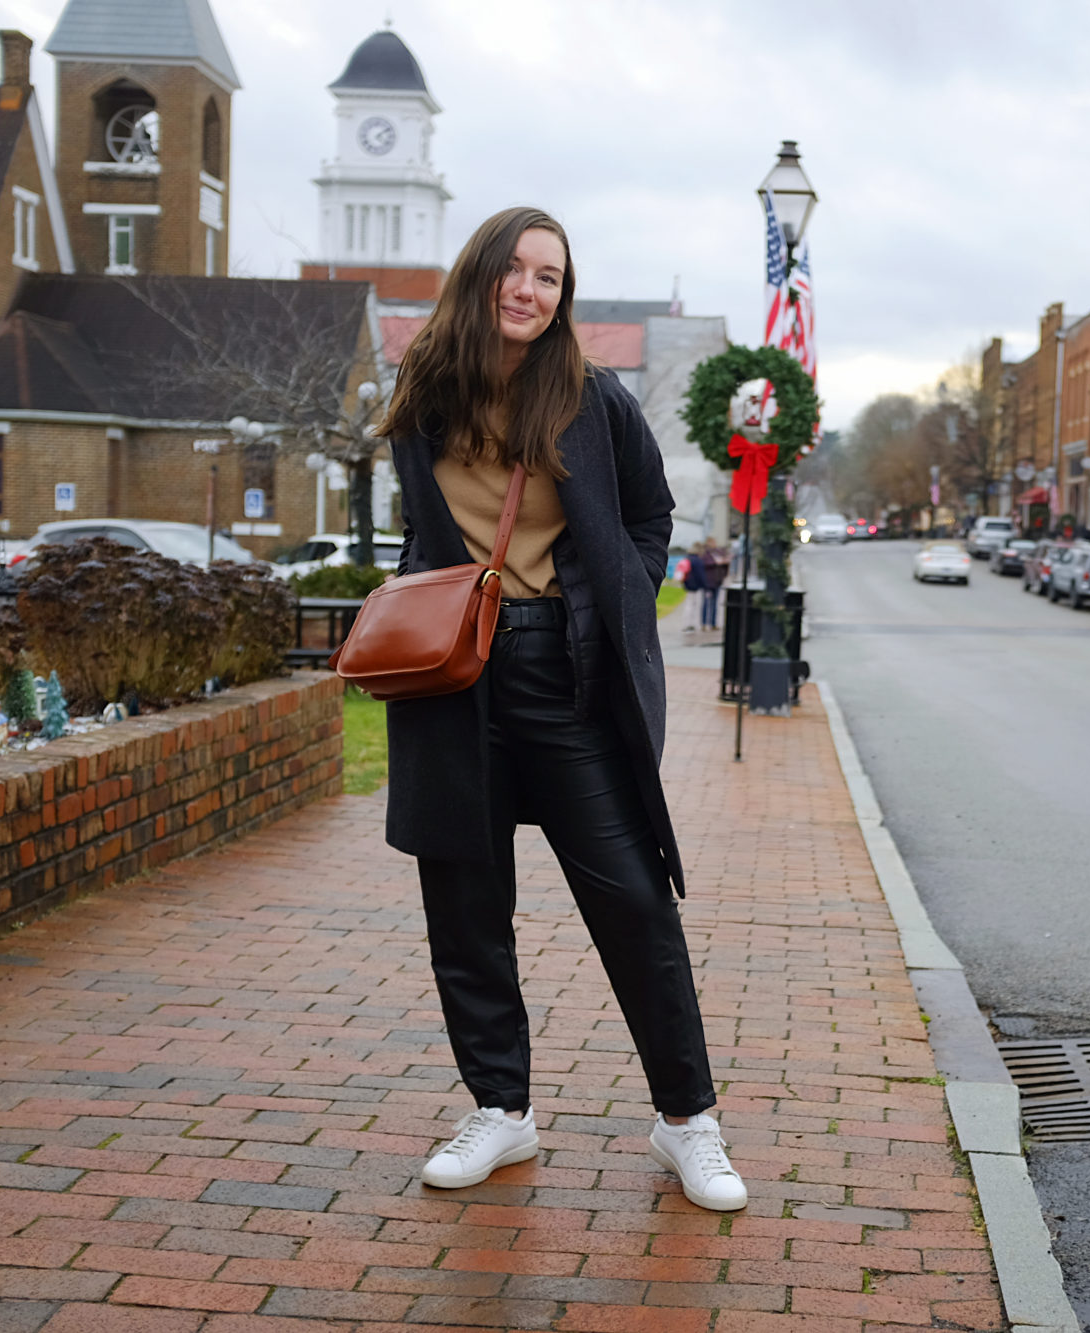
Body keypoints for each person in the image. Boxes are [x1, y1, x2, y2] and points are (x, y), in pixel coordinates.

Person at [377, 206, 745, 1211]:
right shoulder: (421, 392)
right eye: (518, 269)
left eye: (550, 277)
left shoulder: (590, 398)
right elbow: (420, 525)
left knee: (630, 896)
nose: (530, 290)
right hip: (452, 676)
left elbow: (648, 514)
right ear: (483, 272)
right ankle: (500, 1108)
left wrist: (616, 592)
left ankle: (686, 1121)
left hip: (563, 668)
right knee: (463, 903)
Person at [699, 541, 727, 630]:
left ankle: (713, 624)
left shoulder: (719, 553)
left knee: (715, 604)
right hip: (708, 584)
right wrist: (716, 562)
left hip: (717, 582)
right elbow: (705, 564)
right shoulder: (705, 554)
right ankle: (704, 624)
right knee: (706, 603)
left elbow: (724, 565)